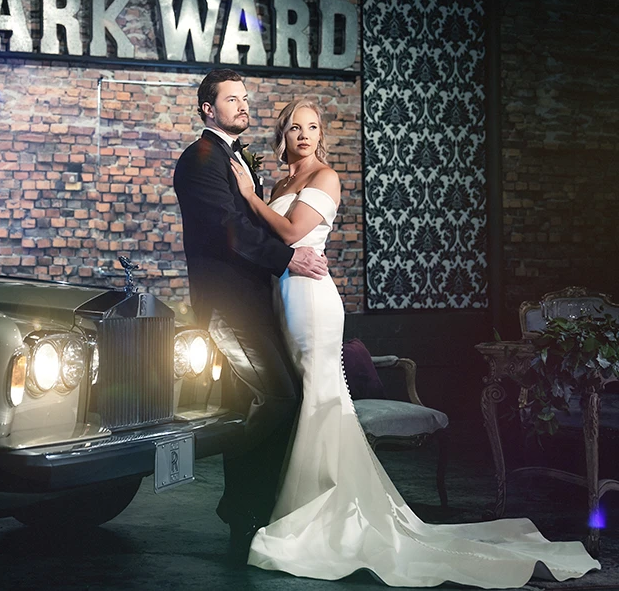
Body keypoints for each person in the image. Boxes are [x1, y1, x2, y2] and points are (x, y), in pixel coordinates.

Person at [228, 98, 601, 588]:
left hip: (312, 303)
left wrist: (247, 196)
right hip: (282, 297)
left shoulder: (325, 178)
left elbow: (294, 231)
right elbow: (270, 244)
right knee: (299, 401)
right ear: (283, 134)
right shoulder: (279, 183)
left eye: (313, 128)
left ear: (322, 136)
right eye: (295, 127)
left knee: (321, 395)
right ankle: (298, 503)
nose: (304, 135)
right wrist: (258, 197)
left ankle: (324, 511)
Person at [173, 69, 329, 565]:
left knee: (260, 403)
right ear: (207, 108)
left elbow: (250, 218)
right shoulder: (200, 160)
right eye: (232, 98)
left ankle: (249, 519)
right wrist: (289, 259)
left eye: (245, 97)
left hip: (258, 304)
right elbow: (228, 232)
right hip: (228, 309)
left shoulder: (234, 159)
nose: (243, 105)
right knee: (279, 398)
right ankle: (197, 460)